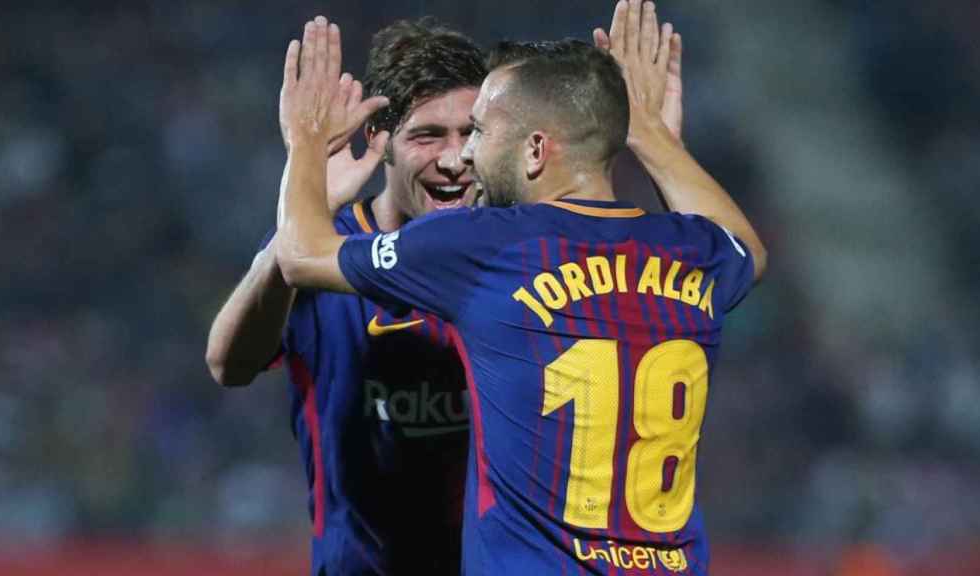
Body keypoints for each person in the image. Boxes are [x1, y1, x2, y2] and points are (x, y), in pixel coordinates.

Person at [274, 1, 767, 573]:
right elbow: (747, 249)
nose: (465, 154)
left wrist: (306, 144)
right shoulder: (688, 252)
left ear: (535, 149)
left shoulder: (486, 245)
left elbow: (302, 253)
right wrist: (652, 136)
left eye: (480, 131)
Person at [205, 18, 486, 575]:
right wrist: (292, 234)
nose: (455, 159)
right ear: (379, 141)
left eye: (470, 133)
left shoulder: (508, 250)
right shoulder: (323, 247)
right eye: (428, 135)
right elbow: (229, 364)